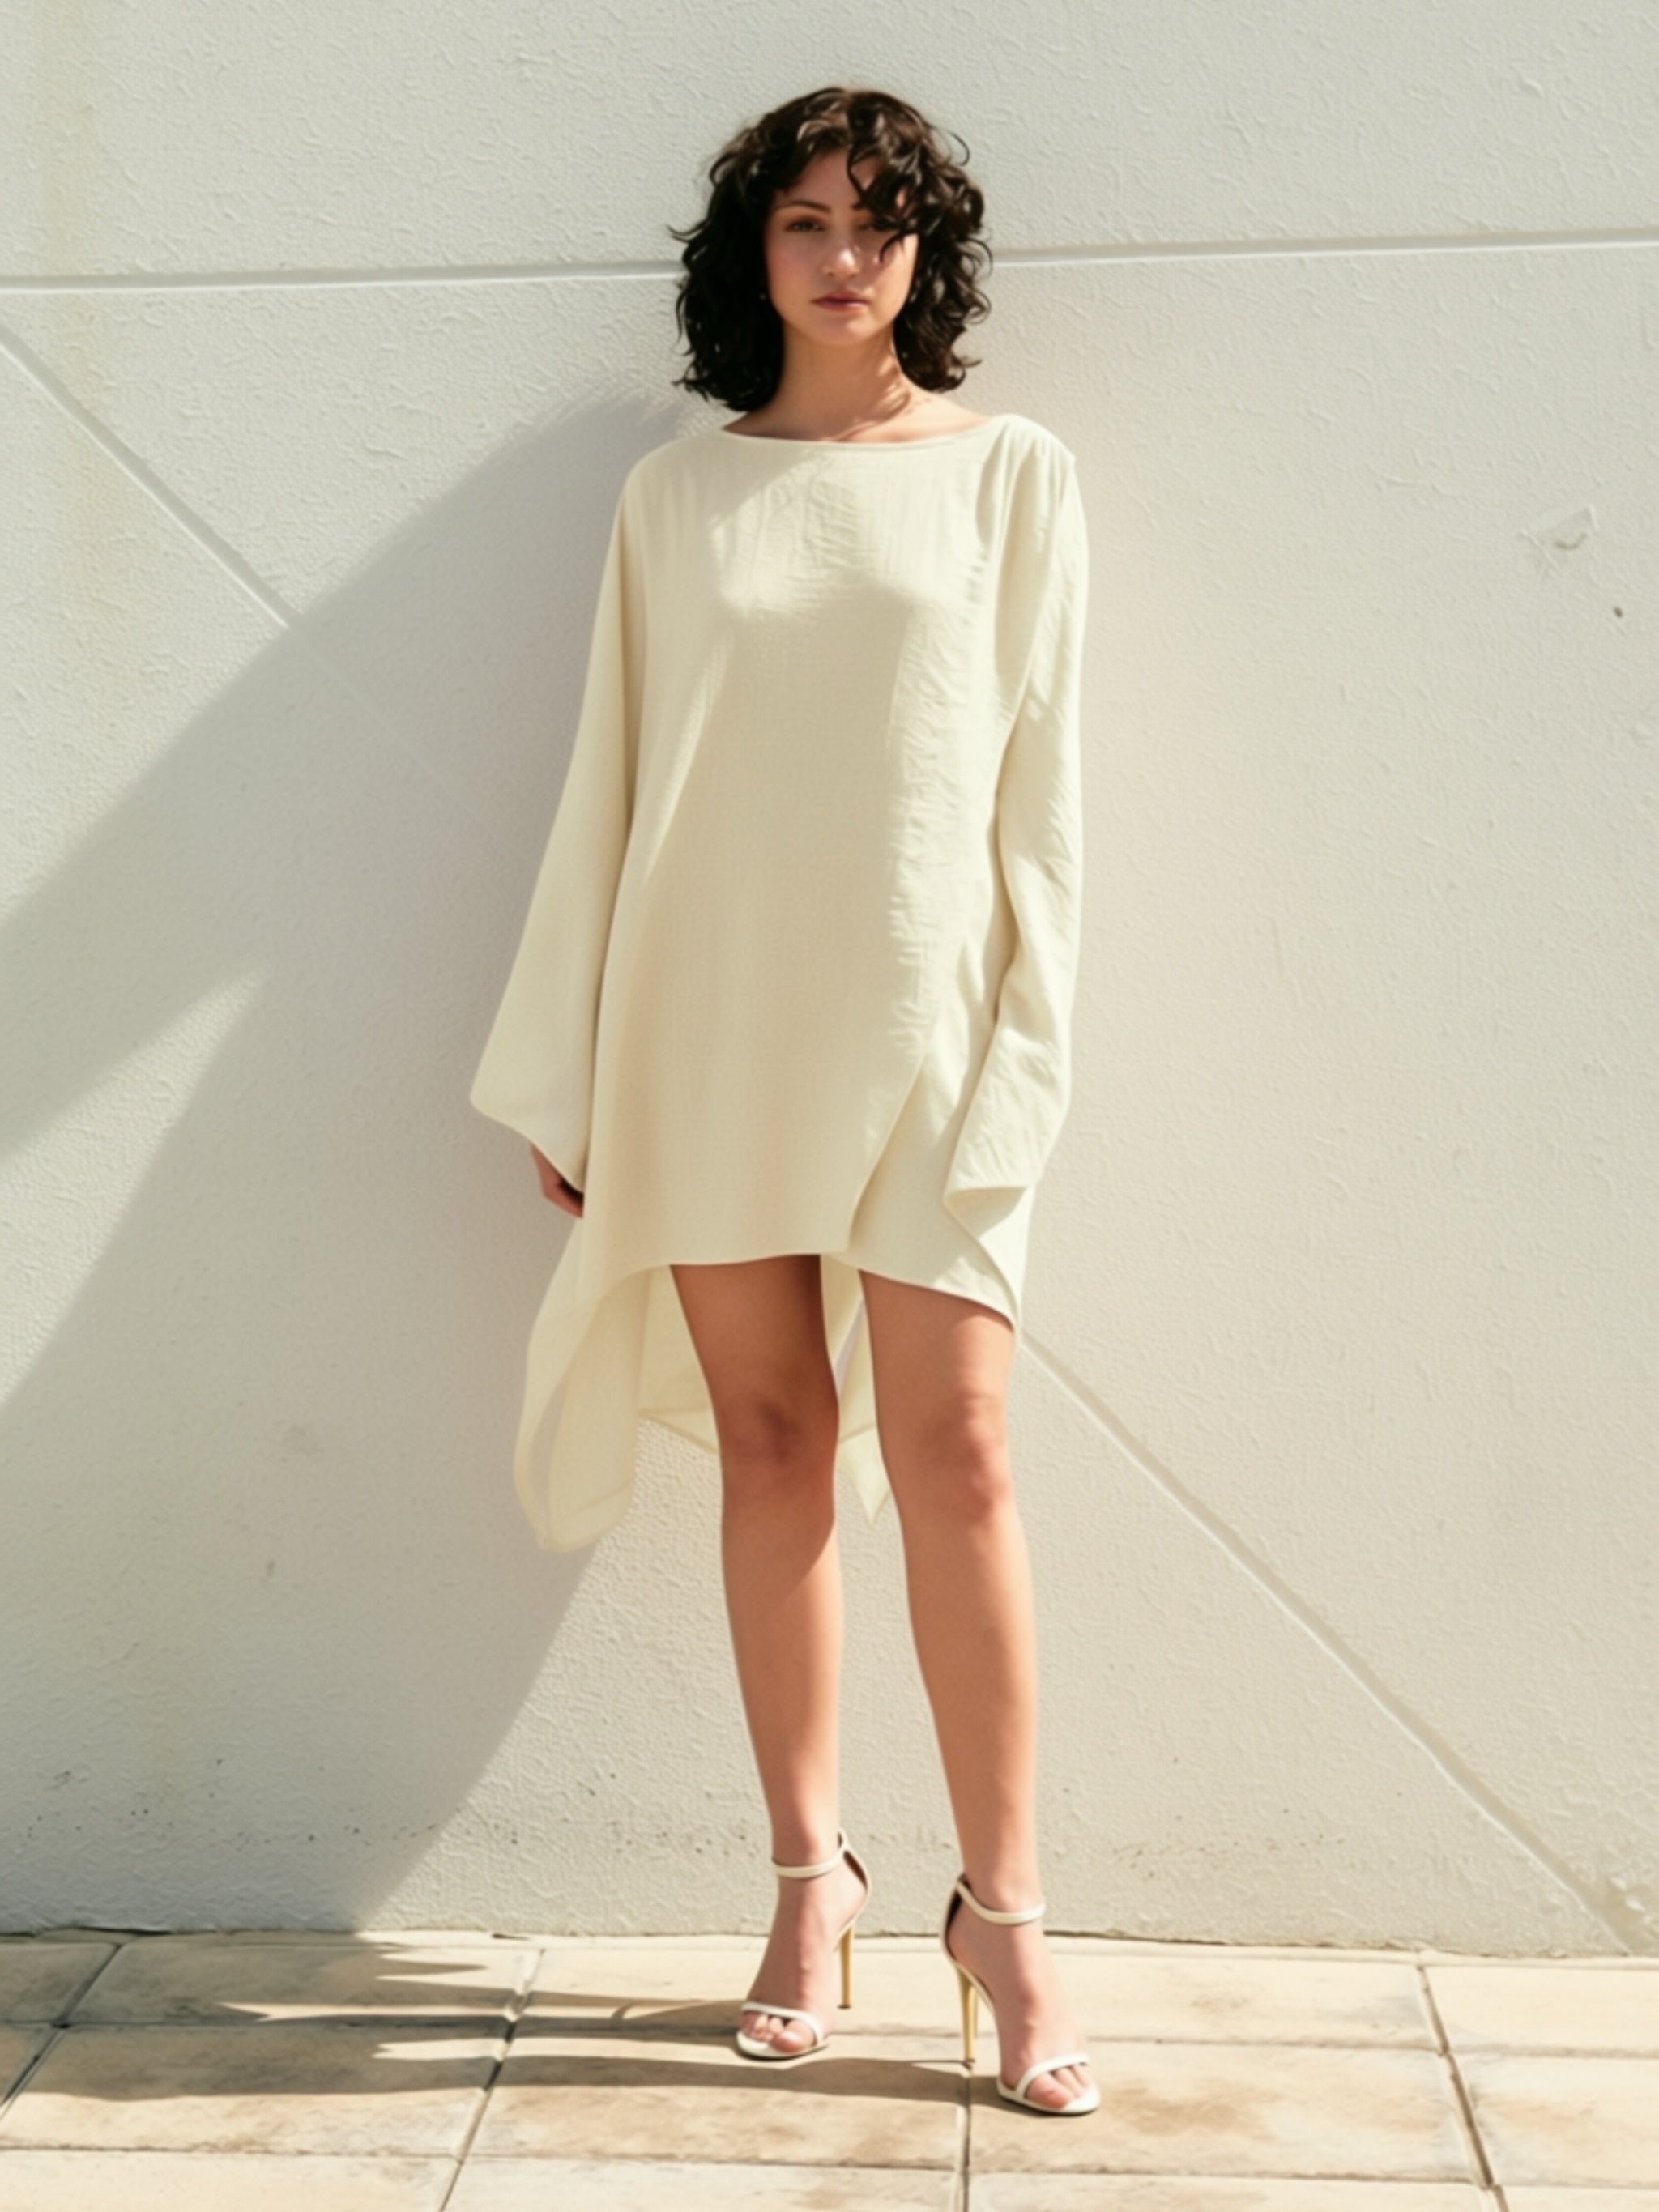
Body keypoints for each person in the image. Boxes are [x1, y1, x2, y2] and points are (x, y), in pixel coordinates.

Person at [470, 84, 1096, 2116]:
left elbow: (1041, 810)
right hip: (709, 1022)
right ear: (752, 251)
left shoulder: (1013, 479)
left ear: (930, 256)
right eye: (808, 221)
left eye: (881, 226)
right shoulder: (677, 500)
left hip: (927, 1033)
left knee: (965, 1455)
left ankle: (1001, 1911)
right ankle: (804, 1876)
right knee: (767, 1438)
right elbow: (611, 794)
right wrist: (572, 1061)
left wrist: (1021, 1055)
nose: (845, 258)